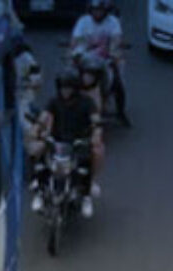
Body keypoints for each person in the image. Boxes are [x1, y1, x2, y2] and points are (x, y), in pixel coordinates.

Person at [38, 71, 100, 219]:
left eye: (68, 88)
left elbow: (95, 119)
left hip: (79, 142)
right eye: (63, 88)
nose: (65, 91)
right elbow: (44, 115)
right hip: (58, 141)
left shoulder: (87, 102)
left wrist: (95, 132)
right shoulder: (54, 101)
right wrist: (38, 128)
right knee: (40, 157)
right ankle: (39, 191)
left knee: (86, 163)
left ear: (75, 89)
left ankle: (86, 196)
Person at [71, 0, 130, 128]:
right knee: (69, 79)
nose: (97, 13)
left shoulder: (113, 22)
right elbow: (76, 40)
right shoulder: (83, 21)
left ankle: (120, 112)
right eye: (95, 10)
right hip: (86, 59)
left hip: (106, 59)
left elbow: (116, 39)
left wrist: (114, 52)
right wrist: (74, 52)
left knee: (118, 82)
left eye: (100, 10)